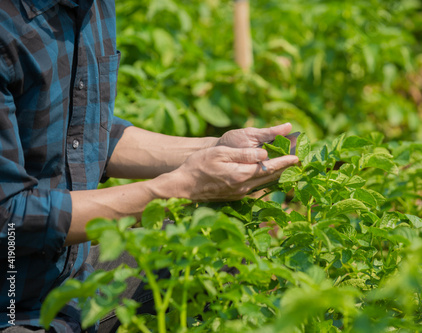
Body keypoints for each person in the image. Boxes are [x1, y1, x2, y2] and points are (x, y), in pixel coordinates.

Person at [0, 0, 298, 331]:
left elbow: (84, 132)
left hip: (72, 272)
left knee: (227, 248)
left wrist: (215, 149)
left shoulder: (92, 7)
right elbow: (10, 219)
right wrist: (178, 188)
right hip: (11, 301)